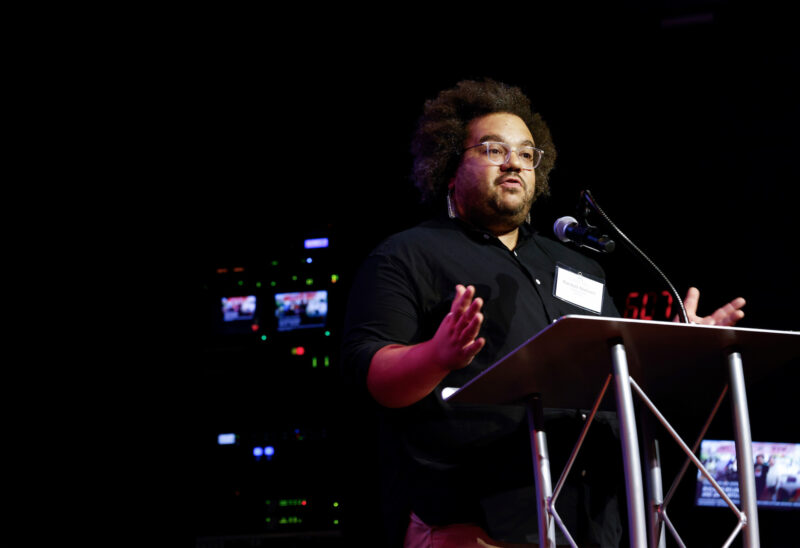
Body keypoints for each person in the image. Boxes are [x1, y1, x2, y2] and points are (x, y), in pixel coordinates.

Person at [341, 79, 746, 548]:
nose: (513, 162)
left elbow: (620, 373)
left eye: (526, 153)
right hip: (476, 522)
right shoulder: (406, 255)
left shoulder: (578, 265)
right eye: (493, 149)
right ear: (450, 166)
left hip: (596, 520)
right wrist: (437, 355)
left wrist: (679, 347)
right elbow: (372, 376)